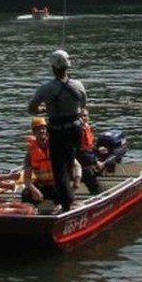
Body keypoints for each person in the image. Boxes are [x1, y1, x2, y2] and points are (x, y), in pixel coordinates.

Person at [27, 49, 87, 211]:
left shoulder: (46, 89)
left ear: (52, 68)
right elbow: (82, 105)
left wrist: (43, 110)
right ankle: (73, 193)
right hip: (75, 130)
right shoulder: (79, 85)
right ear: (68, 66)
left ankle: (68, 203)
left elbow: (32, 109)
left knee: (59, 169)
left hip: (58, 131)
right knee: (70, 163)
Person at [21, 117, 59, 206]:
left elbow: (74, 166)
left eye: (43, 128)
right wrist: (34, 190)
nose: (41, 131)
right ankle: (30, 214)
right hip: (42, 185)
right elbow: (27, 179)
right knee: (26, 194)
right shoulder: (30, 153)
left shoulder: (56, 147)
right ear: (34, 132)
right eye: (38, 129)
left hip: (57, 183)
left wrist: (75, 183)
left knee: (65, 193)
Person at [77, 107, 107, 195]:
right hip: (78, 162)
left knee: (108, 155)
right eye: (81, 116)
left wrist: (97, 149)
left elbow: (88, 147)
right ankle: (98, 193)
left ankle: (99, 183)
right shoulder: (77, 131)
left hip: (87, 157)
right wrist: (95, 161)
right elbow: (79, 151)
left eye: (85, 116)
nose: (83, 118)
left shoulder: (87, 128)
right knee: (88, 173)